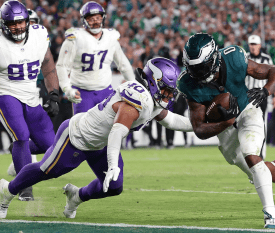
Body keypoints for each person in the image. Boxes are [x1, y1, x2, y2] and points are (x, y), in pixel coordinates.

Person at [0, 57, 194, 219]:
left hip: (100, 144)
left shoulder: (153, 100)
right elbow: (117, 131)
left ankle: (76, 196)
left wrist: (202, 127)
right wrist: (112, 164)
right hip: (78, 136)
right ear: (153, 82)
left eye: (171, 91)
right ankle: (7, 191)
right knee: (46, 170)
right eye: (166, 90)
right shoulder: (139, 98)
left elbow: (171, 121)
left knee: (114, 187)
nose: (168, 96)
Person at [178, 33, 275, 228]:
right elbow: (200, 129)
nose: (196, 72)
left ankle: (271, 215)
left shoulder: (234, 57)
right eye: (192, 67)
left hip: (247, 110)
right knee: (240, 162)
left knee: (251, 154)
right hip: (224, 123)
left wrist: (265, 91)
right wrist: (226, 122)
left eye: (200, 67)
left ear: (213, 59)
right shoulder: (187, 82)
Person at [0, 1, 60, 201]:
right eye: (12, 23)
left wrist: (53, 93)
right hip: (5, 92)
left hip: (31, 95)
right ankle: (24, 188)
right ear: (3, 24)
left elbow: (48, 62)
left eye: (21, 22)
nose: (17, 27)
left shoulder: (38, 34)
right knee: (21, 135)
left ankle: (19, 151)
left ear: (27, 21)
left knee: (50, 144)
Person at [56, 1, 135, 115]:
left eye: (98, 18)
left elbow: (123, 64)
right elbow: (62, 66)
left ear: (103, 18)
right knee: (83, 130)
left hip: (105, 91)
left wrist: (132, 83)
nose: (95, 22)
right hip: (82, 92)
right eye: (91, 19)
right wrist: (67, 89)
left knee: (110, 128)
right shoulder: (75, 38)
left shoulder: (110, 37)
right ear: (84, 20)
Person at [245, 35, 275, 159]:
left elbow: (274, 77)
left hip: (262, 96)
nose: (253, 47)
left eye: (255, 44)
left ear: (259, 45)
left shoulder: (266, 59)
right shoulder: (245, 57)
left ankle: (261, 153)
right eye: (251, 44)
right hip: (247, 95)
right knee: (246, 124)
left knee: (262, 125)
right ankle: (248, 151)